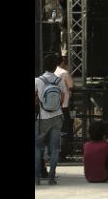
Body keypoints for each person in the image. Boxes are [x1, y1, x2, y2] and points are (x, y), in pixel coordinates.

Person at [35, 53, 68, 185]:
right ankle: (51, 177)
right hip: (57, 117)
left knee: (37, 148)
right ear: (55, 67)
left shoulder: (37, 80)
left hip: (42, 117)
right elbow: (63, 98)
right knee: (54, 149)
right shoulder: (59, 80)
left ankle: (36, 178)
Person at [53, 54, 74, 160]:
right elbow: (71, 86)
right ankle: (62, 154)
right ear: (62, 62)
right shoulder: (64, 73)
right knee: (65, 130)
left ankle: (54, 153)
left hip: (53, 106)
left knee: (55, 130)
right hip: (64, 105)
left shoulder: (53, 73)